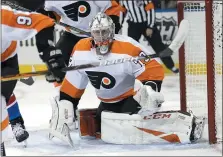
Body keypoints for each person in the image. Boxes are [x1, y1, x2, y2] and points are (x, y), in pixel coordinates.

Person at [48, 12, 205, 147]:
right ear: (91, 33)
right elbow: (73, 83)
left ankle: (185, 125)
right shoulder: (81, 49)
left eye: (105, 32)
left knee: (129, 128)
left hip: (131, 99)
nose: (101, 37)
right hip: (106, 104)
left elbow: (153, 69)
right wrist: (66, 104)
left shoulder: (127, 47)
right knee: (100, 130)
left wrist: (150, 88)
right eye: (97, 33)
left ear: (112, 32)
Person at [35, 0, 123, 131]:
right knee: (59, 65)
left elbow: (113, 8)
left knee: (111, 70)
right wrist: (49, 15)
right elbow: (51, 14)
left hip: (99, 35)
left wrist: (111, 28)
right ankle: (66, 108)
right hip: (71, 35)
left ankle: (117, 105)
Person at [1, 0, 66, 155]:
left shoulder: (5, 17)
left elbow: (43, 21)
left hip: (5, 63)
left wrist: (50, 54)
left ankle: (10, 130)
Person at [119, 0, 179, 73]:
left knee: (159, 46)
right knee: (131, 47)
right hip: (133, 25)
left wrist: (150, 26)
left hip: (147, 23)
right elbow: (122, 11)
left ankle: (171, 66)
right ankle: (134, 69)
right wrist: (119, 25)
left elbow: (150, 9)